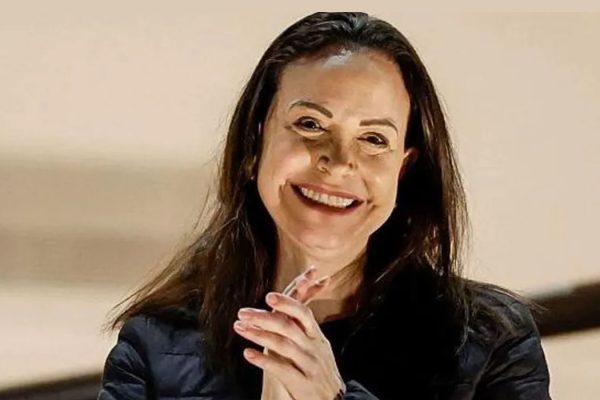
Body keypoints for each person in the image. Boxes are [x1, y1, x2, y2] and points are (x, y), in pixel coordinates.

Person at [97, 12, 551, 400]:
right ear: (255, 144)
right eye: (310, 124)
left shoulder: (492, 342)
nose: (338, 162)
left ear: (404, 169)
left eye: (374, 139)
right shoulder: (155, 345)